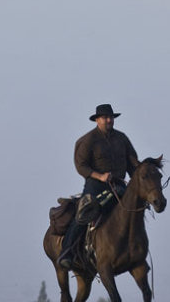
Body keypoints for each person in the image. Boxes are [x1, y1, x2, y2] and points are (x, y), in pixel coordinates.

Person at [57, 104, 139, 269]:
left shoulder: (122, 138)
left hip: (118, 185)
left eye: (111, 117)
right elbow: (81, 166)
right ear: (97, 120)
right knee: (85, 211)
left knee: (135, 208)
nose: (109, 120)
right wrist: (100, 176)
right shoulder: (87, 140)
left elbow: (133, 163)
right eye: (105, 117)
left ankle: (135, 248)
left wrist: (140, 175)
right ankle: (67, 252)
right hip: (95, 186)